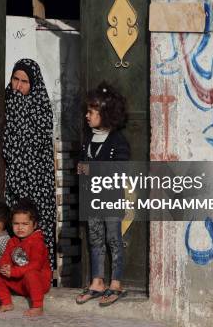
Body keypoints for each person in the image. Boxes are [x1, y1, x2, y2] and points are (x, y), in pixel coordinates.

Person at [75, 81, 130, 307]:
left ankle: (116, 282)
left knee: (113, 239)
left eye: (91, 111)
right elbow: (83, 167)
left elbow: (120, 169)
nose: (87, 116)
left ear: (105, 113)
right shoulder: (88, 139)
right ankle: (97, 281)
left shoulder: (117, 140)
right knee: (95, 239)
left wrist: (92, 169)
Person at [2, 58, 56, 270]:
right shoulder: (6, 101)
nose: (18, 86)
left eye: (24, 81)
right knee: (15, 222)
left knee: (35, 222)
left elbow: (36, 141)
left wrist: (20, 108)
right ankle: (14, 270)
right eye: (15, 79)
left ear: (33, 84)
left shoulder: (41, 106)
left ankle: (38, 270)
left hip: (37, 178)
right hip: (15, 174)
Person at [0, 199, 52, 317]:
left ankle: (38, 306)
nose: (20, 228)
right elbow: (4, 258)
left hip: (38, 283)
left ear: (34, 225)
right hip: (20, 282)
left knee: (31, 274)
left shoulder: (37, 242)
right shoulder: (12, 241)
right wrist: (5, 267)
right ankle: (6, 302)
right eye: (16, 224)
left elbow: (36, 265)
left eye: (25, 224)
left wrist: (14, 272)